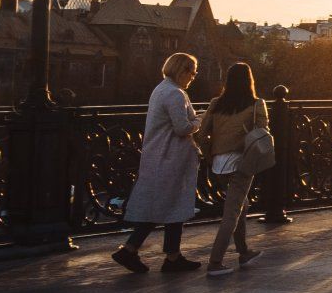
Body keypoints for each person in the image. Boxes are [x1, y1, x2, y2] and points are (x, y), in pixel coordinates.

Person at [112, 53, 204, 274]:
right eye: (191, 72)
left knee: (165, 205)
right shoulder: (175, 94)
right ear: (181, 70)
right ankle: (159, 255)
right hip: (170, 156)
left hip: (159, 155)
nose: (193, 77)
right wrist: (200, 119)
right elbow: (181, 128)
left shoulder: (161, 89)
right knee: (173, 205)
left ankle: (155, 253)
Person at [197, 62, 269, 277]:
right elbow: (263, 132)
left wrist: (210, 156)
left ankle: (244, 251)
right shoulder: (256, 104)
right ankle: (215, 262)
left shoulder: (216, 103)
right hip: (242, 162)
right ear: (250, 80)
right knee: (232, 212)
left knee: (241, 203)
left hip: (219, 164)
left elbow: (202, 133)